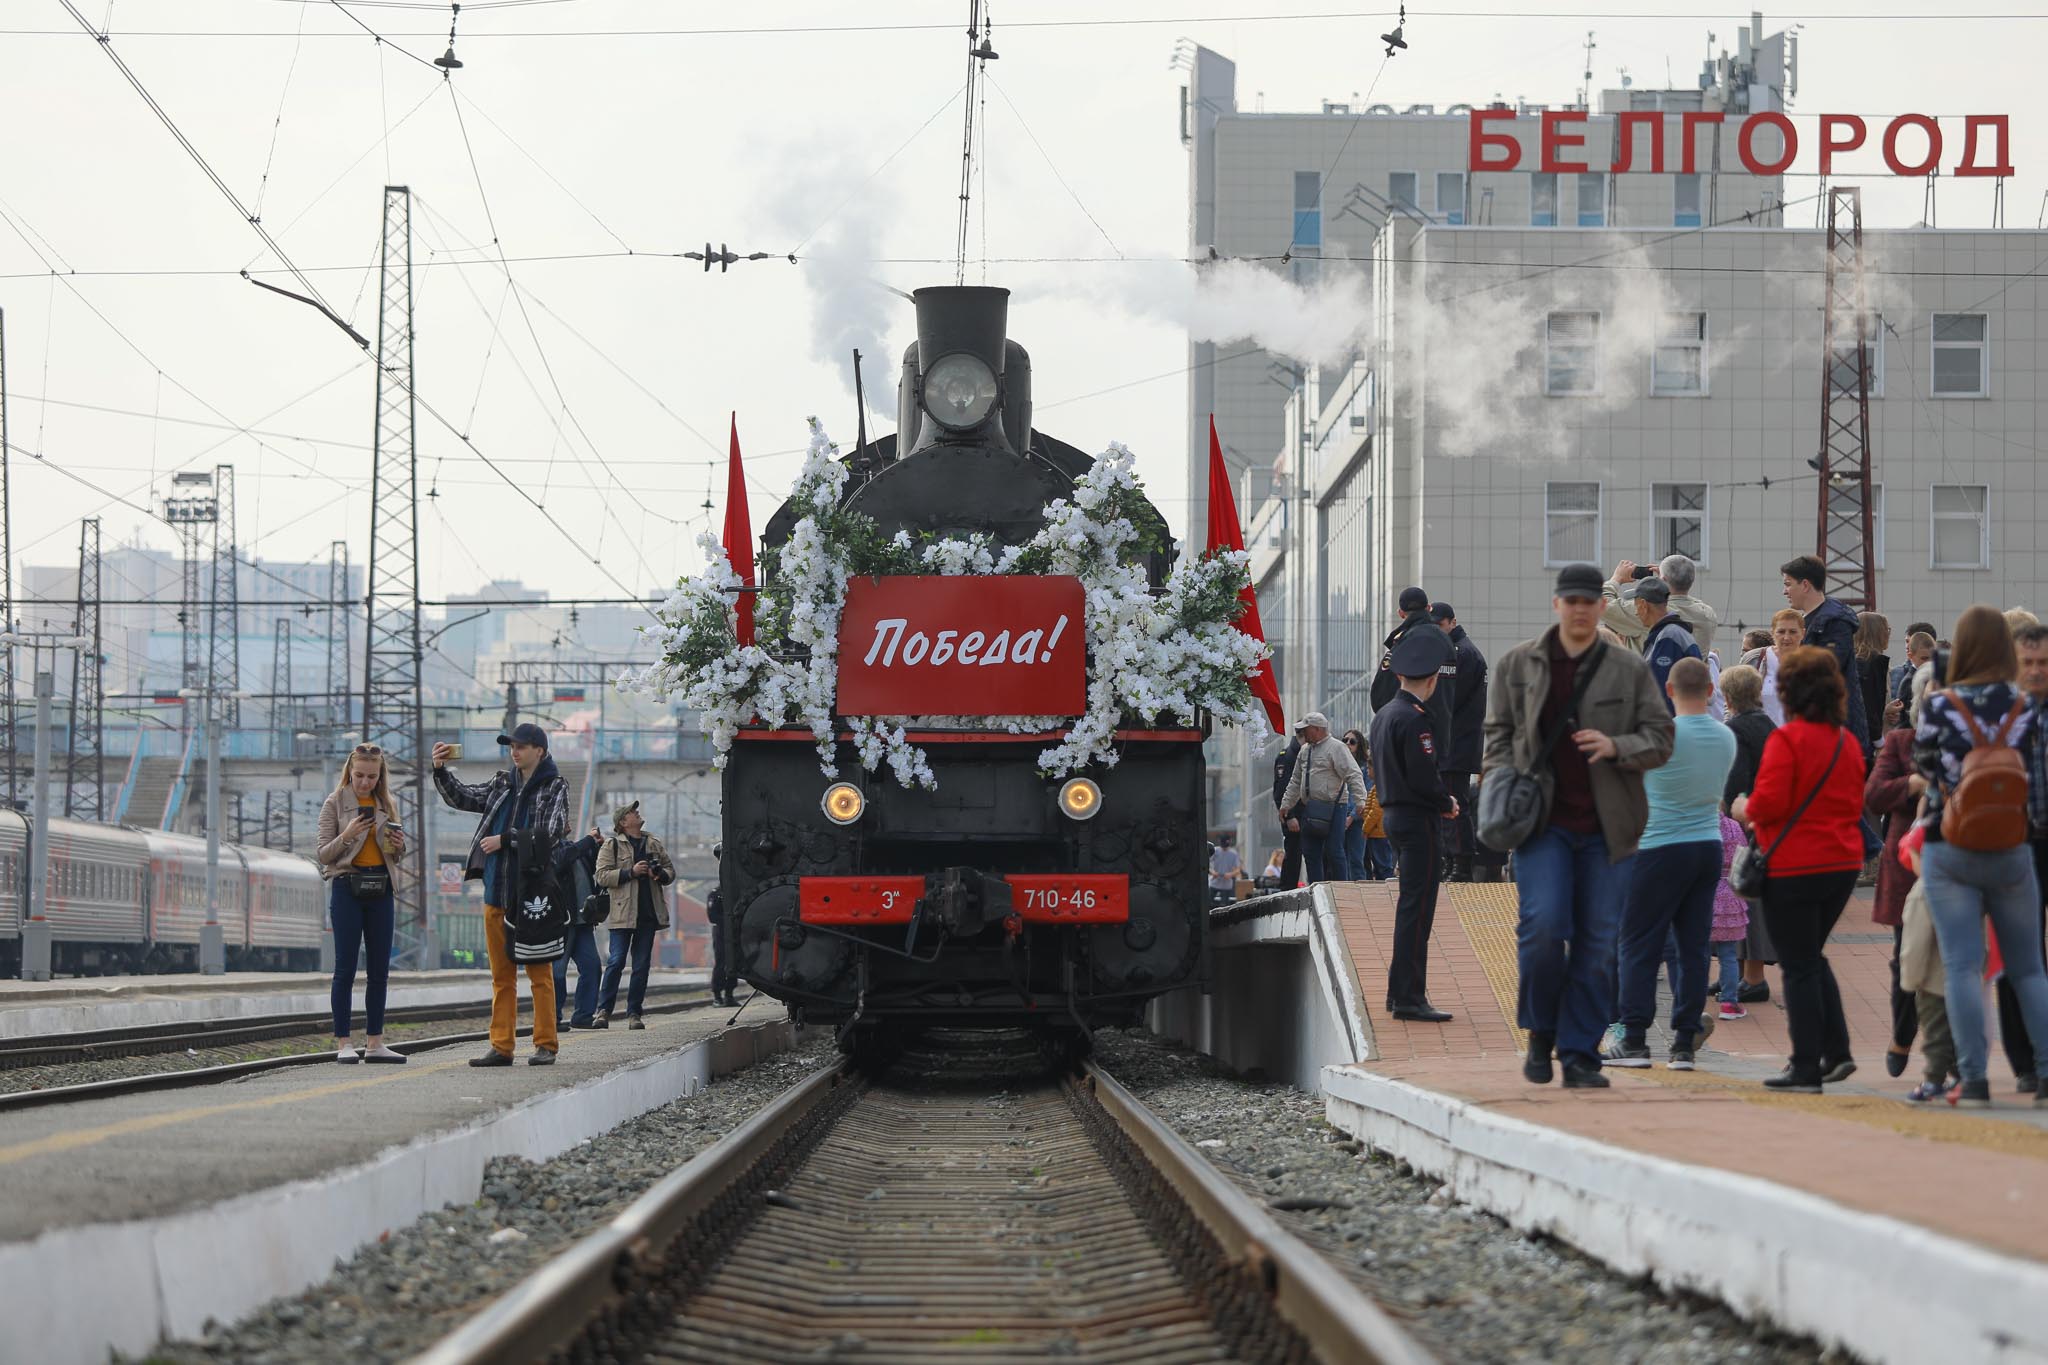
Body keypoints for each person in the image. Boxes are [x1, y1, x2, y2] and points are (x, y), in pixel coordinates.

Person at [1483, 562, 1674, 1089]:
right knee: (1543, 929)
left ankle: (1580, 1051)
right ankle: (1541, 1033)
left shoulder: (1627, 669)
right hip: (1540, 826)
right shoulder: (1518, 665)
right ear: (1557, 605)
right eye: (1572, 601)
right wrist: (1505, 779)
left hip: (1607, 829)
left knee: (1597, 943)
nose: (1582, 610)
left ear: (1600, 606)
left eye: (1591, 601)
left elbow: (1661, 738)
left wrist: (1618, 746)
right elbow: (1496, 735)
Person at [1913, 604, 2048, 1109]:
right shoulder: (2024, 707)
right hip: (2013, 847)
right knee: (2029, 968)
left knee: (1964, 967)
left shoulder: (1941, 703)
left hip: (1950, 846)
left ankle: (1973, 1080)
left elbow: (1924, 764)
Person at [1729, 647, 1868, 1093]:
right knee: (1811, 957)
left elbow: (1765, 806)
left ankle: (1806, 1065)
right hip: (1842, 863)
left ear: (1788, 691)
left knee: (1799, 965)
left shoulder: (1787, 740)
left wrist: (1740, 805)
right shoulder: (1846, 742)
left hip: (1794, 865)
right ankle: (1837, 1052)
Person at [1607, 657, 1735, 1070]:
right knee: (1694, 947)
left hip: (1659, 847)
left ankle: (1636, 1040)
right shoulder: (1725, 737)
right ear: (1712, 691)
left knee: (1638, 944)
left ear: (1669, 690)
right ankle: (1683, 1044)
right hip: (1707, 847)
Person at [433, 723, 568, 1067]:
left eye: (521, 746)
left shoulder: (555, 786)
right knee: (501, 976)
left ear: (539, 749)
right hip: (496, 890)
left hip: (532, 897)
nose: (514, 751)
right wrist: (440, 770)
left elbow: (551, 832)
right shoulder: (501, 783)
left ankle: (546, 1045)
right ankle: (502, 1046)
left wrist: (505, 840)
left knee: (540, 975)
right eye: (512, 746)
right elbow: (463, 797)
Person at [1370, 629, 1460, 1022]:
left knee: (1410, 908)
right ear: (1433, 679)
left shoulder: (1385, 714)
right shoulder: (1415, 720)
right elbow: (1424, 777)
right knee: (1418, 910)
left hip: (1394, 817)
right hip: (1418, 819)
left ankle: (1399, 991)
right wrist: (1447, 802)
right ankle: (1409, 996)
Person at [316, 744, 409, 1064]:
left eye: (371, 776)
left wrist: (399, 846)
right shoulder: (335, 803)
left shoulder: (387, 803)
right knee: (345, 968)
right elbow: (323, 854)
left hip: (380, 888)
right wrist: (349, 834)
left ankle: (374, 1042)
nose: (364, 782)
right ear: (349, 772)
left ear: (380, 775)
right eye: (359, 776)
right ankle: (344, 1041)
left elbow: (394, 854)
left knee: (379, 970)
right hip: (347, 887)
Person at [1865, 717, 1926, 1077]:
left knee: (1958, 961)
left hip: (1963, 854)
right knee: (1906, 957)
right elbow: (1873, 795)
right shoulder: (1902, 742)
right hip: (1908, 862)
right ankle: (1902, 1035)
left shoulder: (1970, 738)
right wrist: (1912, 784)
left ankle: (1947, 1052)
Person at [1719, 663, 1779, 1004]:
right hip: (1765, 820)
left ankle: (1752, 977)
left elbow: (1736, 781)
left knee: (1744, 897)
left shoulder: (1737, 730)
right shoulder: (1767, 724)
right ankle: (1739, 973)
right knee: (1744, 895)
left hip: (1747, 823)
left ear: (1728, 696)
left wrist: (1728, 810)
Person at [594, 800, 676, 1029]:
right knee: (616, 961)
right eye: (632, 812)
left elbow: (671, 871)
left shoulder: (654, 843)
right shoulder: (612, 846)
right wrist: (631, 872)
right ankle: (603, 1011)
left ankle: (634, 1014)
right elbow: (601, 876)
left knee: (641, 965)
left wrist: (659, 873)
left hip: (648, 914)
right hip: (622, 914)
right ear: (623, 822)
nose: (637, 813)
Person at [2008, 622, 2048, 1090]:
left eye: (2044, 664)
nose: (2036, 671)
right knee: (2021, 955)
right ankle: (2026, 1063)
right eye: (2028, 663)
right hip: (2014, 847)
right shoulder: (2001, 714)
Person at [1781, 554, 1870, 753]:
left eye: (1788, 584)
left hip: (1834, 731)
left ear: (1805, 585)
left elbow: (1825, 670)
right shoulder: (1813, 621)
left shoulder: (1834, 623)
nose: (1784, 591)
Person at [1279, 711, 1368, 886]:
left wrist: (1360, 801)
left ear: (1318, 729)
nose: (1303, 733)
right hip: (1310, 808)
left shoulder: (1336, 747)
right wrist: (1286, 805)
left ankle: (1343, 888)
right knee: (1310, 851)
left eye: (1306, 729)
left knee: (1335, 851)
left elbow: (1353, 774)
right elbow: (1295, 780)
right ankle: (1316, 889)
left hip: (1335, 807)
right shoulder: (1305, 750)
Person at [1432, 602, 1488, 881]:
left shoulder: (1461, 653)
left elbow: (1447, 701)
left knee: (1455, 803)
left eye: (1440, 625)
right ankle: (1453, 860)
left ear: (1452, 622)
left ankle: (1461, 864)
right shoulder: (1457, 651)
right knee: (1449, 803)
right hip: (1455, 742)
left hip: (1456, 742)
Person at [1371, 587, 1456, 768]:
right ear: (1429, 608)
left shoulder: (1406, 641)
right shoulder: (1447, 641)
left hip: (1410, 738)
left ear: (1401, 613)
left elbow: (1380, 695)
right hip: (1441, 740)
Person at [1602, 554, 1721, 655]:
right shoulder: (1707, 614)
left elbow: (1602, 604)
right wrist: (1665, 579)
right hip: (1691, 681)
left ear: (1662, 579)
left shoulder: (1650, 611)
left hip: (1651, 680)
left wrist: (1616, 579)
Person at [551, 824, 606, 1031]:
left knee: (591, 966)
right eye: (563, 821)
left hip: (582, 920)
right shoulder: (550, 848)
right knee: (557, 971)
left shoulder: (574, 848)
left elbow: (594, 867)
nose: (568, 825)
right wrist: (588, 841)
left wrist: (597, 848)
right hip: (562, 920)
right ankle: (552, 1018)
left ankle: (583, 1015)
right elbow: (561, 860)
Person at [1632, 578, 1704, 709]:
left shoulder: (1668, 636)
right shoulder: (1674, 633)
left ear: (1643, 604)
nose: (1636, 612)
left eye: (1635, 606)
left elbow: (1660, 690)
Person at [1342, 728, 1395, 880]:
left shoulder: (1367, 768)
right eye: (1344, 740)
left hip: (1363, 822)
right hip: (1348, 818)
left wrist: (1352, 818)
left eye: (1352, 741)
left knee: (1363, 862)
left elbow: (1367, 798)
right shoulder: (1339, 764)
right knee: (1345, 860)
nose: (1347, 744)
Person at [1711, 813, 1750, 1020]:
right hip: (1729, 895)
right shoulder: (1733, 827)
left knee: (1697, 954)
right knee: (1728, 955)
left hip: (1703, 893)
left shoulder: (1698, 824)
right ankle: (1728, 1003)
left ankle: (1693, 1001)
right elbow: (1743, 857)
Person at [1743, 609, 1804, 727]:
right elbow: (1736, 695)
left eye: (1792, 632)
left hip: (1798, 739)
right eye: (1781, 632)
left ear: (1803, 633)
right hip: (1760, 738)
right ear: (1772, 633)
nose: (1786, 637)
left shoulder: (1813, 663)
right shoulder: (1755, 658)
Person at [1272, 729, 1306, 888]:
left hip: (1306, 813)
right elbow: (1281, 790)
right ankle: (1287, 889)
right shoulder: (1288, 756)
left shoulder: (1303, 753)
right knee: (1293, 854)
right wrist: (1289, 816)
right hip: (1294, 815)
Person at [707, 842, 738, 1007]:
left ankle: (730, 994)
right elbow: (712, 916)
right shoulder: (716, 895)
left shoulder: (732, 892)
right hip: (721, 931)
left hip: (732, 930)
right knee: (721, 962)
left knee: (732, 962)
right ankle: (717, 995)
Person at [1856, 612, 1892, 746]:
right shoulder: (1872, 663)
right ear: (1876, 632)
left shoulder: (1854, 660)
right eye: (1887, 629)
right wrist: (1878, 741)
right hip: (1868, 740)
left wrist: (1886, 710)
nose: (1889, 634)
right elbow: (1868, 704)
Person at [1888, 630, 1934, 731]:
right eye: (1924, 658)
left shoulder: (1933, 678)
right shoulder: (1908, 682)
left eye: (1933, 658)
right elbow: (1903, 718)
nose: (1929, 662)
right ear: (1910, 656)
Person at [1208, 832, 1244, 903]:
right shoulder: (1215, 851)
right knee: (1208, 903)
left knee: (1224, 905)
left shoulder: (1233, 854)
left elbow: (1238, 869)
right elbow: (1207, 864)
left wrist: (1230, 874)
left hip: (1226, 884)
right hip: (1214, 882)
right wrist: (1212, 872)